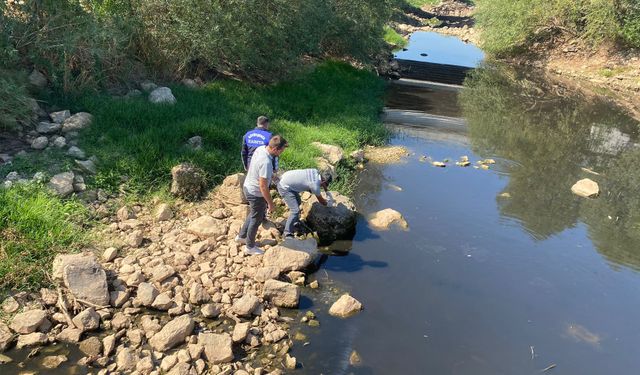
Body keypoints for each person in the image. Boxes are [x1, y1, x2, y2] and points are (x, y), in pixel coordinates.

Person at [236, 135, 288, 254]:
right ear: (275, 149)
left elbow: (256, 169)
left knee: (254, 213)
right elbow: (263, 187)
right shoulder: (266, 163)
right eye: (281, 151)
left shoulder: (260, 149)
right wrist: (270, 204)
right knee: (257, 219)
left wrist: (272, 176)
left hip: (248, 186)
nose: (281, 153)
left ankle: (241, 236)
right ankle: (250, 247)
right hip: (256, 193)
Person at [277, 168, 333, 239]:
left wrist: (325, 188)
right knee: (295, 211)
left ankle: (295, 222)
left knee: (298, 202)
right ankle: (287, 233)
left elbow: (319, 183)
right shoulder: (314, 185)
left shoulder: (315, 171)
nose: (325, 186)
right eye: (327, 184)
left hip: (285, 179)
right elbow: (323, 202)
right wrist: (329, 203)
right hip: (284, 187)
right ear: (324, 181)